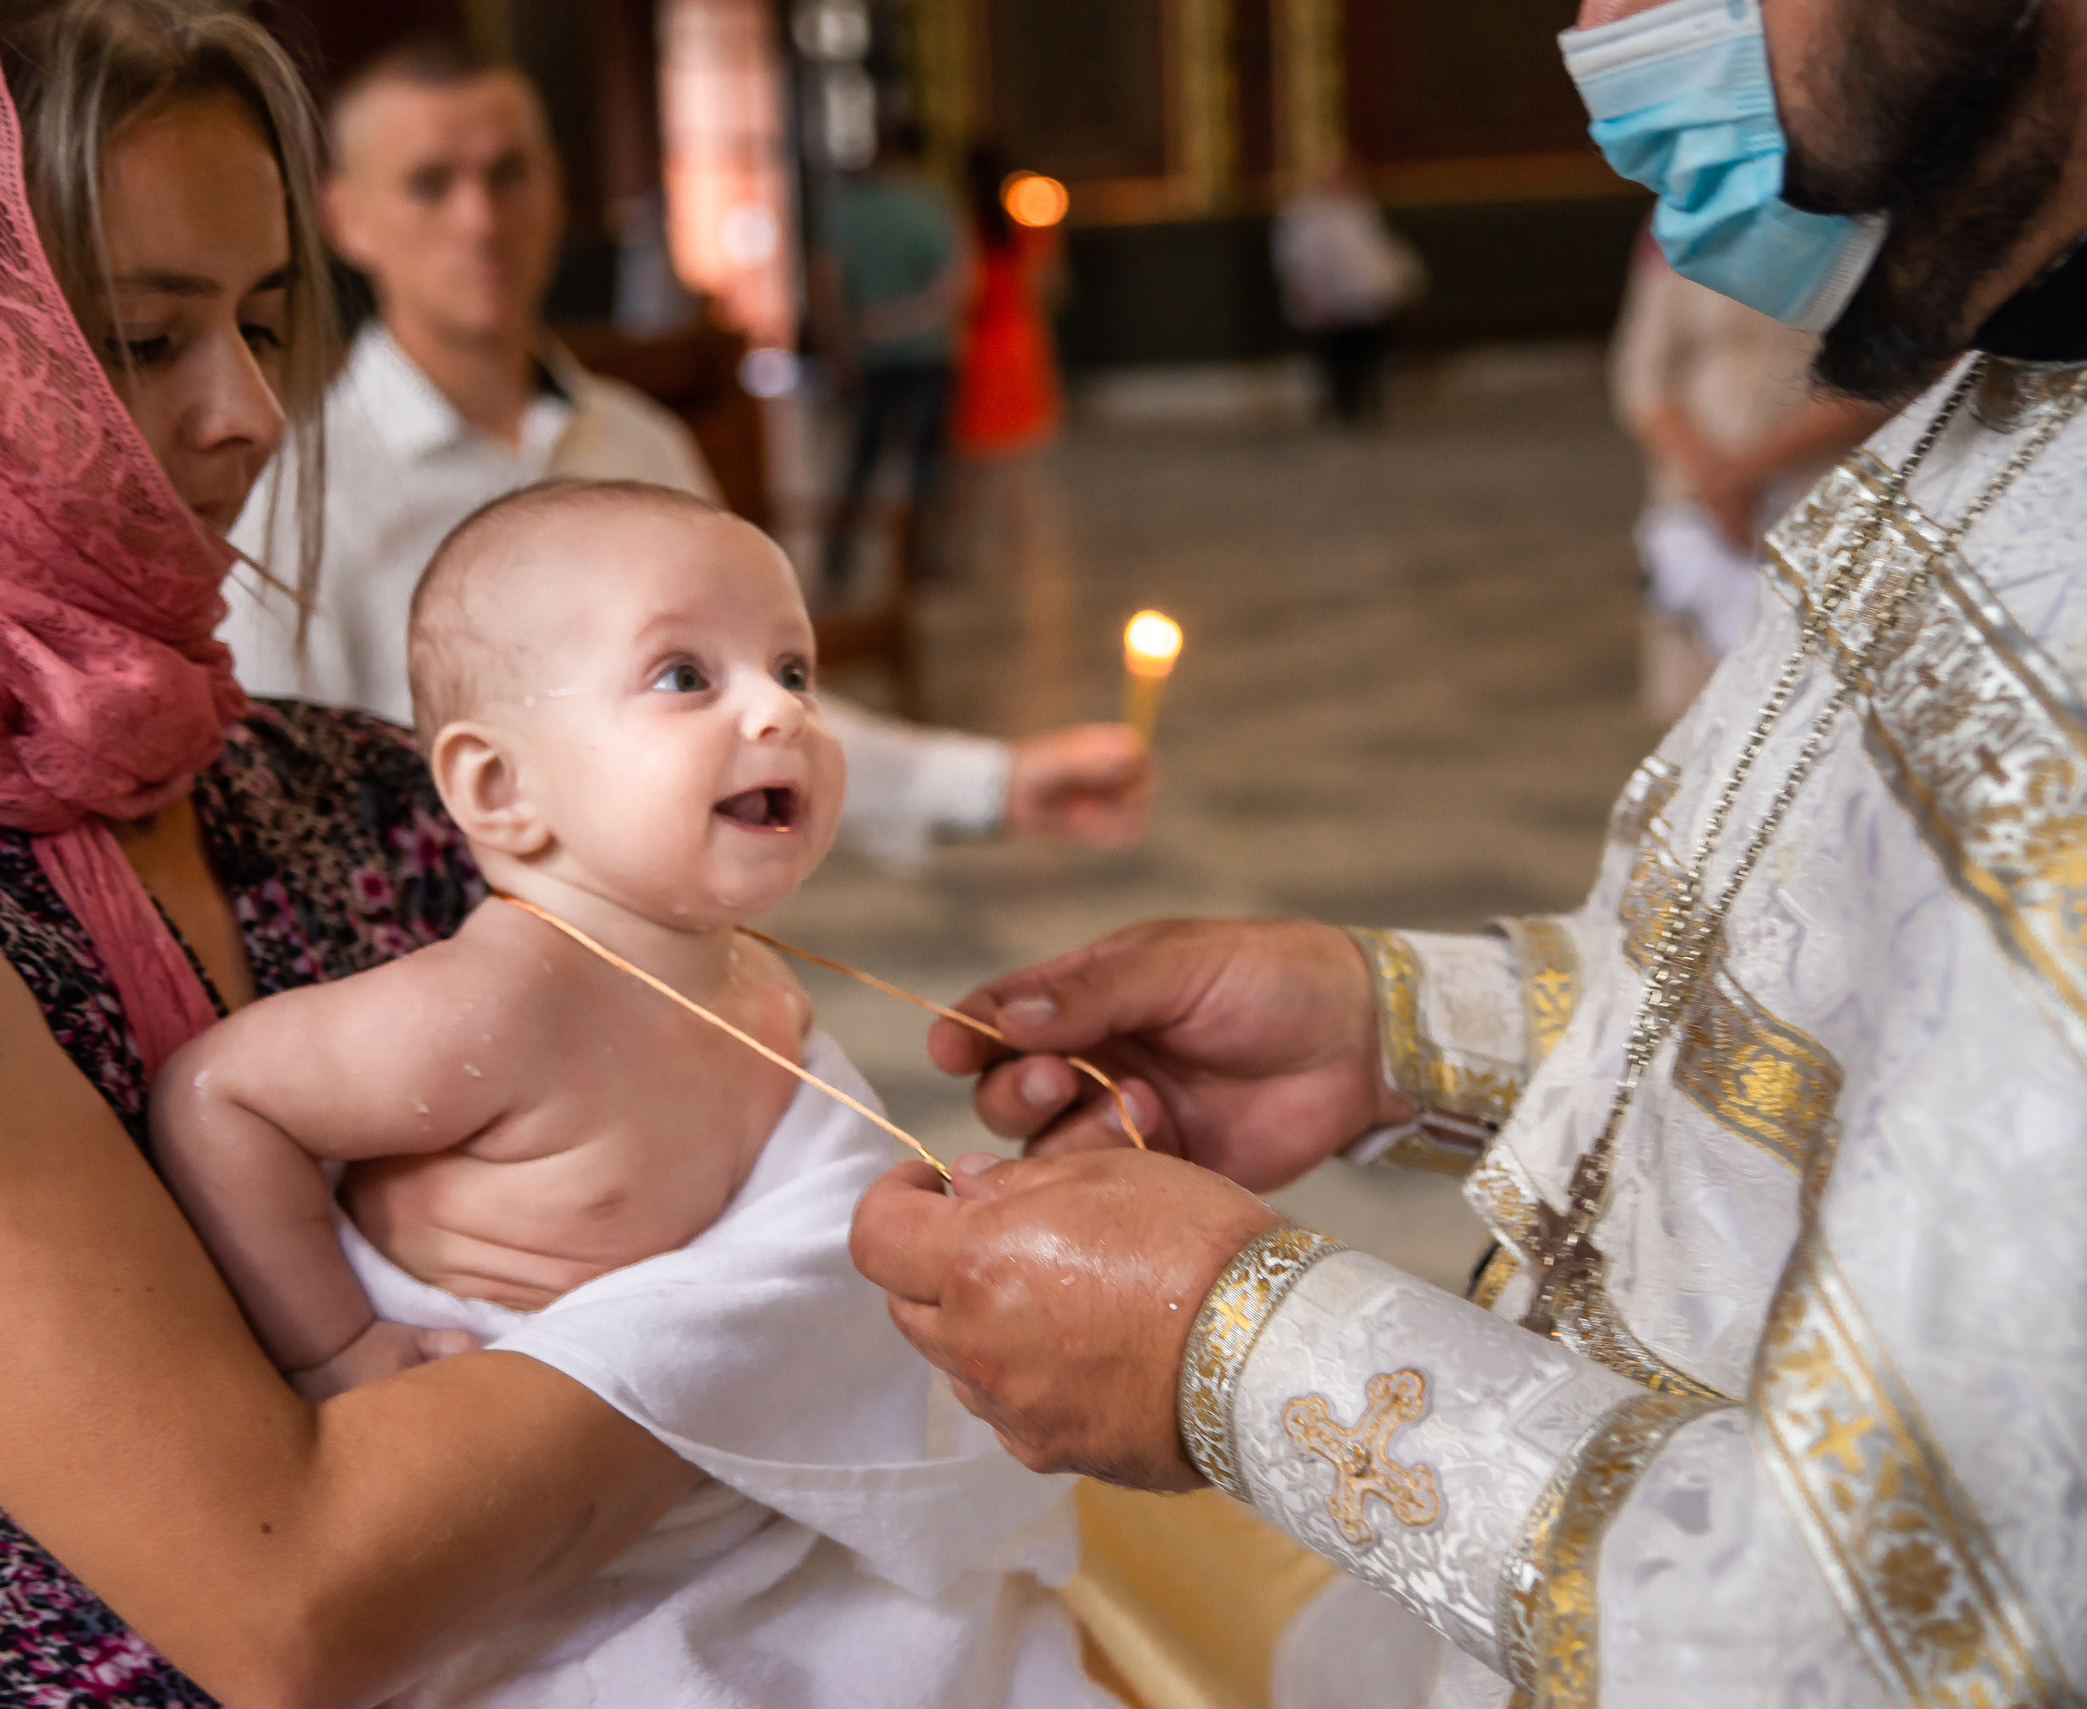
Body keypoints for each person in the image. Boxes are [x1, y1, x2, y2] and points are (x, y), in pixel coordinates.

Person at [852, 0, 2087, 1702]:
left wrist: (1232, 1348)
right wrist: (1391, 1026)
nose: (1599, 28)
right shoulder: (2017, 394)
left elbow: (1900, 1632)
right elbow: (1865, 1011)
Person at [0, 2, 740, 1699]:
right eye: (142, 337)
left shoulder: (330, 780)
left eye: (267, 321)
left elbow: (727, 1098)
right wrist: (811, 1287)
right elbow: (297, 1604)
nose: (252, 412)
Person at [156, 479, 1111, 1706]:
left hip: (732, 1494)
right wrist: (336, 1339)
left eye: (793, 669)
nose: (778, 710)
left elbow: (803, 1218)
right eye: (684, 677)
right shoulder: (497, 1002)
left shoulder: (759, 979)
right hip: (576, 1560)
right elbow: (216, 1095)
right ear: (500, 787)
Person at [219, 44, 1150, 868]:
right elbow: (282, 821)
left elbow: (752, 721)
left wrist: (996, 783)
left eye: (508, 174)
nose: (479, 218)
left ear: (554, 188)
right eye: (430, 183)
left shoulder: (637, 443)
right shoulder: (296, 493)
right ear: (346, 218)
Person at [1611, 225, 1889, 719]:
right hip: (1697, 501)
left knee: (1812, 708)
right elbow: (1641, 378)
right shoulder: (1688, 216)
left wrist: (1752, 472)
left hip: (1819, 495)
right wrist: (1714, 481)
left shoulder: (1862, 219)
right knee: (1699, 717)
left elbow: (1885, 381)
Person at [814, 119, 968, 590]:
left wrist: (844, 342)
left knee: (862, 458)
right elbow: (956, 285)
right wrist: (914, 320)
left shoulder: (849, 212)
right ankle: (920, 558)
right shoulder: (933, 206)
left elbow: (828, 287)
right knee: (925, 463)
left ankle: (838, 556)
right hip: (927, 352)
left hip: (871, 354)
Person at [950, 143, 1067, 582]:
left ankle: (963, 556)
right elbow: (1049, 288)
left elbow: (964, 292)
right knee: (1017, 471)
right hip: (1020, 344)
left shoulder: (965, 225)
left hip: (979, 347)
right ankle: (1016, 562)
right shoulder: (1023, 229)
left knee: (968, 465)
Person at [1271, 161, 1423, 427]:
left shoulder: (1359, 209)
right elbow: (1297, 259)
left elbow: (1378, 250)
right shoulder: (1306, 215)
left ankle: (1366, 399)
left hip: (1365, 299)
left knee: (1367, 352)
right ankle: (1343, 404)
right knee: (1337, 357)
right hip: (1328, 301)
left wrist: (1396, 281)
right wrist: (1309, 294)